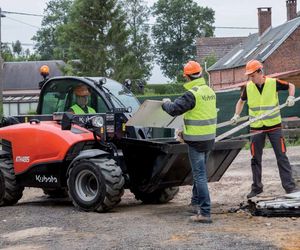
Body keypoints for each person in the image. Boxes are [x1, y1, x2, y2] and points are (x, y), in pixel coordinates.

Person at [230, 59, 297, 199]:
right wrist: (236, 115)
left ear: (260, 72)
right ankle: (256, 188)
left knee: (281, 156)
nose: (251, 78)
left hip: (274, 126)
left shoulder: (273, 83)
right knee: (255, 158)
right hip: (256, 128)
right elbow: (241, 101)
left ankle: (289, 187)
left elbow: (291, 85)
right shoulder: (248, 87)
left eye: (253, 75)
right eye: (249, 76)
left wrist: (291, 97)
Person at [162, 60, 217, 223]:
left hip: (196, 141)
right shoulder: (210, 91)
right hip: (209, 139)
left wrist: (165, 103)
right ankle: (195, 203)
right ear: (200, 73)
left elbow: (173, 110)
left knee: (199, 176)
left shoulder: (192, 94)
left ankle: (205, 212)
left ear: (186, 76)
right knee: (200, 174)